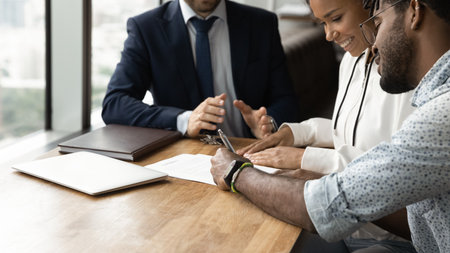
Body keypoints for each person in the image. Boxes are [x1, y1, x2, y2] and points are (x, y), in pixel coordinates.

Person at [210, 0, 450, 252]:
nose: (374, 42)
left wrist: (237, 172)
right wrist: (302, 137)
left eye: (377, 22)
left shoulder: (436, 111)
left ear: (414, 11)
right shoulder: (363, 66)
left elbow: (326, 206)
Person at [101, 0, 298, 139]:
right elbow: (115, 103)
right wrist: (183, 121)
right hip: (184, 159)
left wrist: (267, 123)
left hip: (250, 152)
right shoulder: (146, 29)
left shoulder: (262, 24)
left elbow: (286, 99)